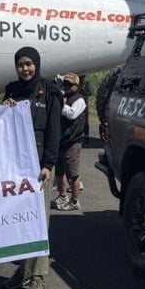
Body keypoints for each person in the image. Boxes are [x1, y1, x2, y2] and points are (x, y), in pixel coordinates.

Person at [1, 46, 61, 289]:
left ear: (36, 64)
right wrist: (4, 108)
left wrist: (48, 164)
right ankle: (23, 271)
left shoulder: (50, 91)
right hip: (16, 165)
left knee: (38, 222)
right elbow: (1, 125)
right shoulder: (11, 90)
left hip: (39, 167)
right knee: (19, 220)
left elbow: (54, 130)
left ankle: (37, 278)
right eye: (20, 64)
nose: (25, 69)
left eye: (29, 64)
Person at [54, 73, 87, 211]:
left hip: (72, 142)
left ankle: (74, 201)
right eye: (65, 84)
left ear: (77, 86)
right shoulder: (64, 96)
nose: (67, 86)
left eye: (70, 84)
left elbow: (72, 114)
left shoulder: (79, 100)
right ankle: (63, 196)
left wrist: (63, 105)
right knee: (59, 171)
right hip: (61, 141)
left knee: (73, 174)